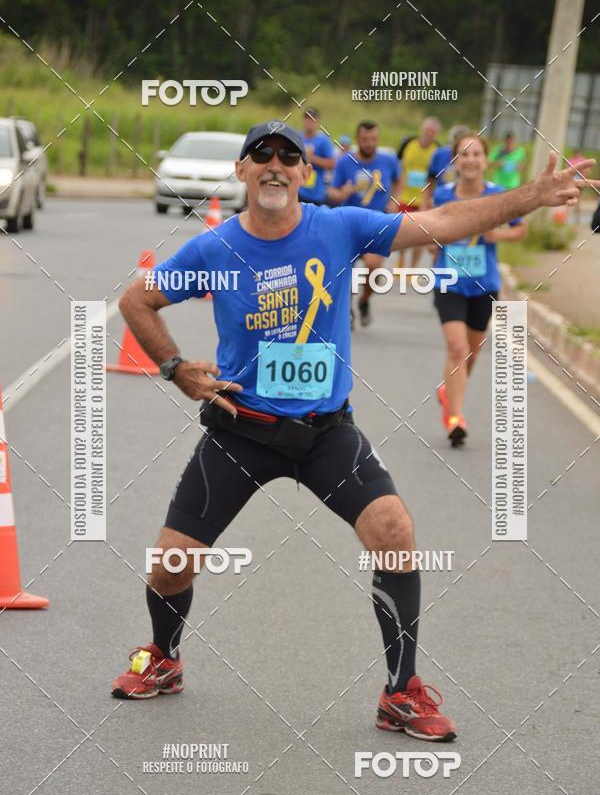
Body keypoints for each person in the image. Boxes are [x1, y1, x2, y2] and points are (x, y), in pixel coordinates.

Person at [111, 118, 596, 742]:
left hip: (324, 432)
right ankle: (163, 657)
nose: (276, 166)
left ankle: (401, 692)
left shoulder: (338, 227)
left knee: (393, 529)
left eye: (289, 157)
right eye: (261, 156)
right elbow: (136, 300)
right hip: (242, 430)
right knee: (171, 563)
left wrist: (530, 195)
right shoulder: (216, 248)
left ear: (306, 173)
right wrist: (176, 369)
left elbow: (443, 225)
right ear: (242, 172)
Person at [432, 132, 528, 446]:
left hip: (484, 284)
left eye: (476, 154)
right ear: (455, 161)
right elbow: (430, 229)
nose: (470, 160)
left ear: (486, 160)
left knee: (471, 353)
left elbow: (521, 230)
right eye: (464, 154)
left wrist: (495, 236)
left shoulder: (499, 195)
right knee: (457, 347)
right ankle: (454, 419)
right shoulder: (444, 195)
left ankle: (449, 392)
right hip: (449, 282)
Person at [328, 120, 401, 327]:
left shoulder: (388, 161)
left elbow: (398, 180)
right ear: (358, 139)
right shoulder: (345, 162)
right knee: (346, 273)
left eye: (374, 139)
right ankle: (347, 310)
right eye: (366, 139)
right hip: (349, 224)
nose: (370, 143)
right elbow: (332, 192)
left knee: (374, 267)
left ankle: (365, 300)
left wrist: (394, 200)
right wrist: (340, 194)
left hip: (377, 224)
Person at [396, 116, 441, 268]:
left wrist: (429, 200)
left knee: (420, 236)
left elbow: (435, 178)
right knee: (402, 232)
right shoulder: (409, 144)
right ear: (422, 129)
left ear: (436, 133)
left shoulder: (437, 150)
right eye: (427, 130)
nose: (429, 133)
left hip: (423, 199)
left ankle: (412, 268)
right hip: (405, 196)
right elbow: (399, 170)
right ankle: (401, 259)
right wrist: (396, 194)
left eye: (433, 131)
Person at [297, 107, 335, 206]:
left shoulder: (324, 141)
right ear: (303, 120)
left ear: (317, 121)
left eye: (312, 119)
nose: (309, 122)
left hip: (317, 194)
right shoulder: (297, 137)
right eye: (307, 118)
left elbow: (331, 164)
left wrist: (312, 158)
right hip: (298, 191)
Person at [427, 124, 470, 195]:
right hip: (442, 198)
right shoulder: (440, 153)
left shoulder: (471, 157)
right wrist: (427, 199)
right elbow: (430, 178)